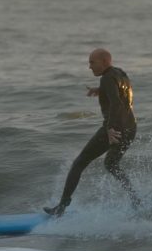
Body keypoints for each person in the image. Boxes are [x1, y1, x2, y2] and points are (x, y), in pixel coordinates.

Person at [44, 48, 140, 217]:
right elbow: (122, 95)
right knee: (111, 164)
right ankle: (135, 199)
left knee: (79, 163)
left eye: (92, 62)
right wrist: (101, 90)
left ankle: (61, 207)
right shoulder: (120, 74)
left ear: (104, 62)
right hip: (130, 128)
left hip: (115, 128)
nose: (89, 67)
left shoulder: (107, 78)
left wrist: (110, 128)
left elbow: (116, 104)